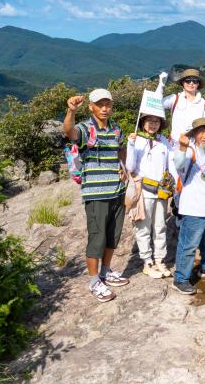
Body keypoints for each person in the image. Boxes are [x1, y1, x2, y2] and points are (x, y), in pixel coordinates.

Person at [63, 89, 129, 303]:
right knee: (97, 237)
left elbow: (121, 149)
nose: (104, 108)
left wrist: (123, 167)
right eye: (100, 104)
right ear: (91, 107)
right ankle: (93, 281)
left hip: (117, 190)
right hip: (95, 193)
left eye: (108, 104)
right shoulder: (85, 128)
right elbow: (68, 132)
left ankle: (106, 271)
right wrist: (71, 111)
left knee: (113, 235)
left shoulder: (116, 128)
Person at [172, 117, 205, 295]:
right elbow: (178, 165)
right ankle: (181, 279)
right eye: (201, 132)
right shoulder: (189, 150)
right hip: (193, 206)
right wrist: (181, 147)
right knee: (189, 245)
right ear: (194, 134)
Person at [126, 113, 173, 279]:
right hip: (143, 190)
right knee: (143, 228)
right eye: (149, 121)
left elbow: (171, 164)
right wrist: (130, 144)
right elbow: (130, 167)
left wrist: (173, 185)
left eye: (157, 121)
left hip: (161, 190)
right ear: (142, 123)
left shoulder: (164, 142)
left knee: (160, 226)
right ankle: (147, 262)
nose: (153, 124)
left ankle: (160, 259)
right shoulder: (137, 140)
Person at [163, 68, 205, 146]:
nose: (191, 83)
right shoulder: (175, 98)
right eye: (188, 80)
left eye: (195, 81)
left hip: (195, 146)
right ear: (183, 83)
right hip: (175, 144)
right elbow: (156, 104)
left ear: (198, 84)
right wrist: (161, 86)